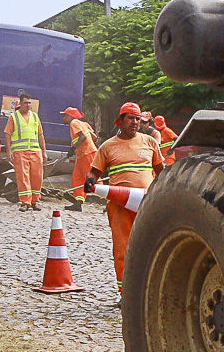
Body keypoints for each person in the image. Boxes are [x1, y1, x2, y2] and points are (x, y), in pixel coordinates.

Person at [83, 102, 163, 299]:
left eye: (138, 119)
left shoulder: (150, 142)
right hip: (119, 205)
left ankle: (150, 292)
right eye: (131, 118)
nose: (135, 122)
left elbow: (162, 172)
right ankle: (125, 294)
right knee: (122, 249)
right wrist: (90, 180)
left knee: (151, 245)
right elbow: (94, 172)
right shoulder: (108, 146)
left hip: (146, 204)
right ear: (121, 120)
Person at [6, 90, 47, 211]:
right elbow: (7, 134)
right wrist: (9, 151)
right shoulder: (14, 117)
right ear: (20, 103)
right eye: (25, 103)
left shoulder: (35, 116)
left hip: (35, 151)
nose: (28, 105)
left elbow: (40, 135)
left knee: (37, 177)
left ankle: (34, 201)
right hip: (20, 152)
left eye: (30, 103)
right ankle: (25, 202)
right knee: (23, 177)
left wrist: (44, 151)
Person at [63, 106, 97, 212]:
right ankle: (78, 202)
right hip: (84, 154)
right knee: (77, 178)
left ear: (70, 116)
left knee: (92, 179)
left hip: (87, 153)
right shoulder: (84, 124)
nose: (63, 118)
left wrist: (74, 147)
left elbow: (83, 137)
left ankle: (108, 201)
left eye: (64, 115)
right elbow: (94, 136)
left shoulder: (74, 123)